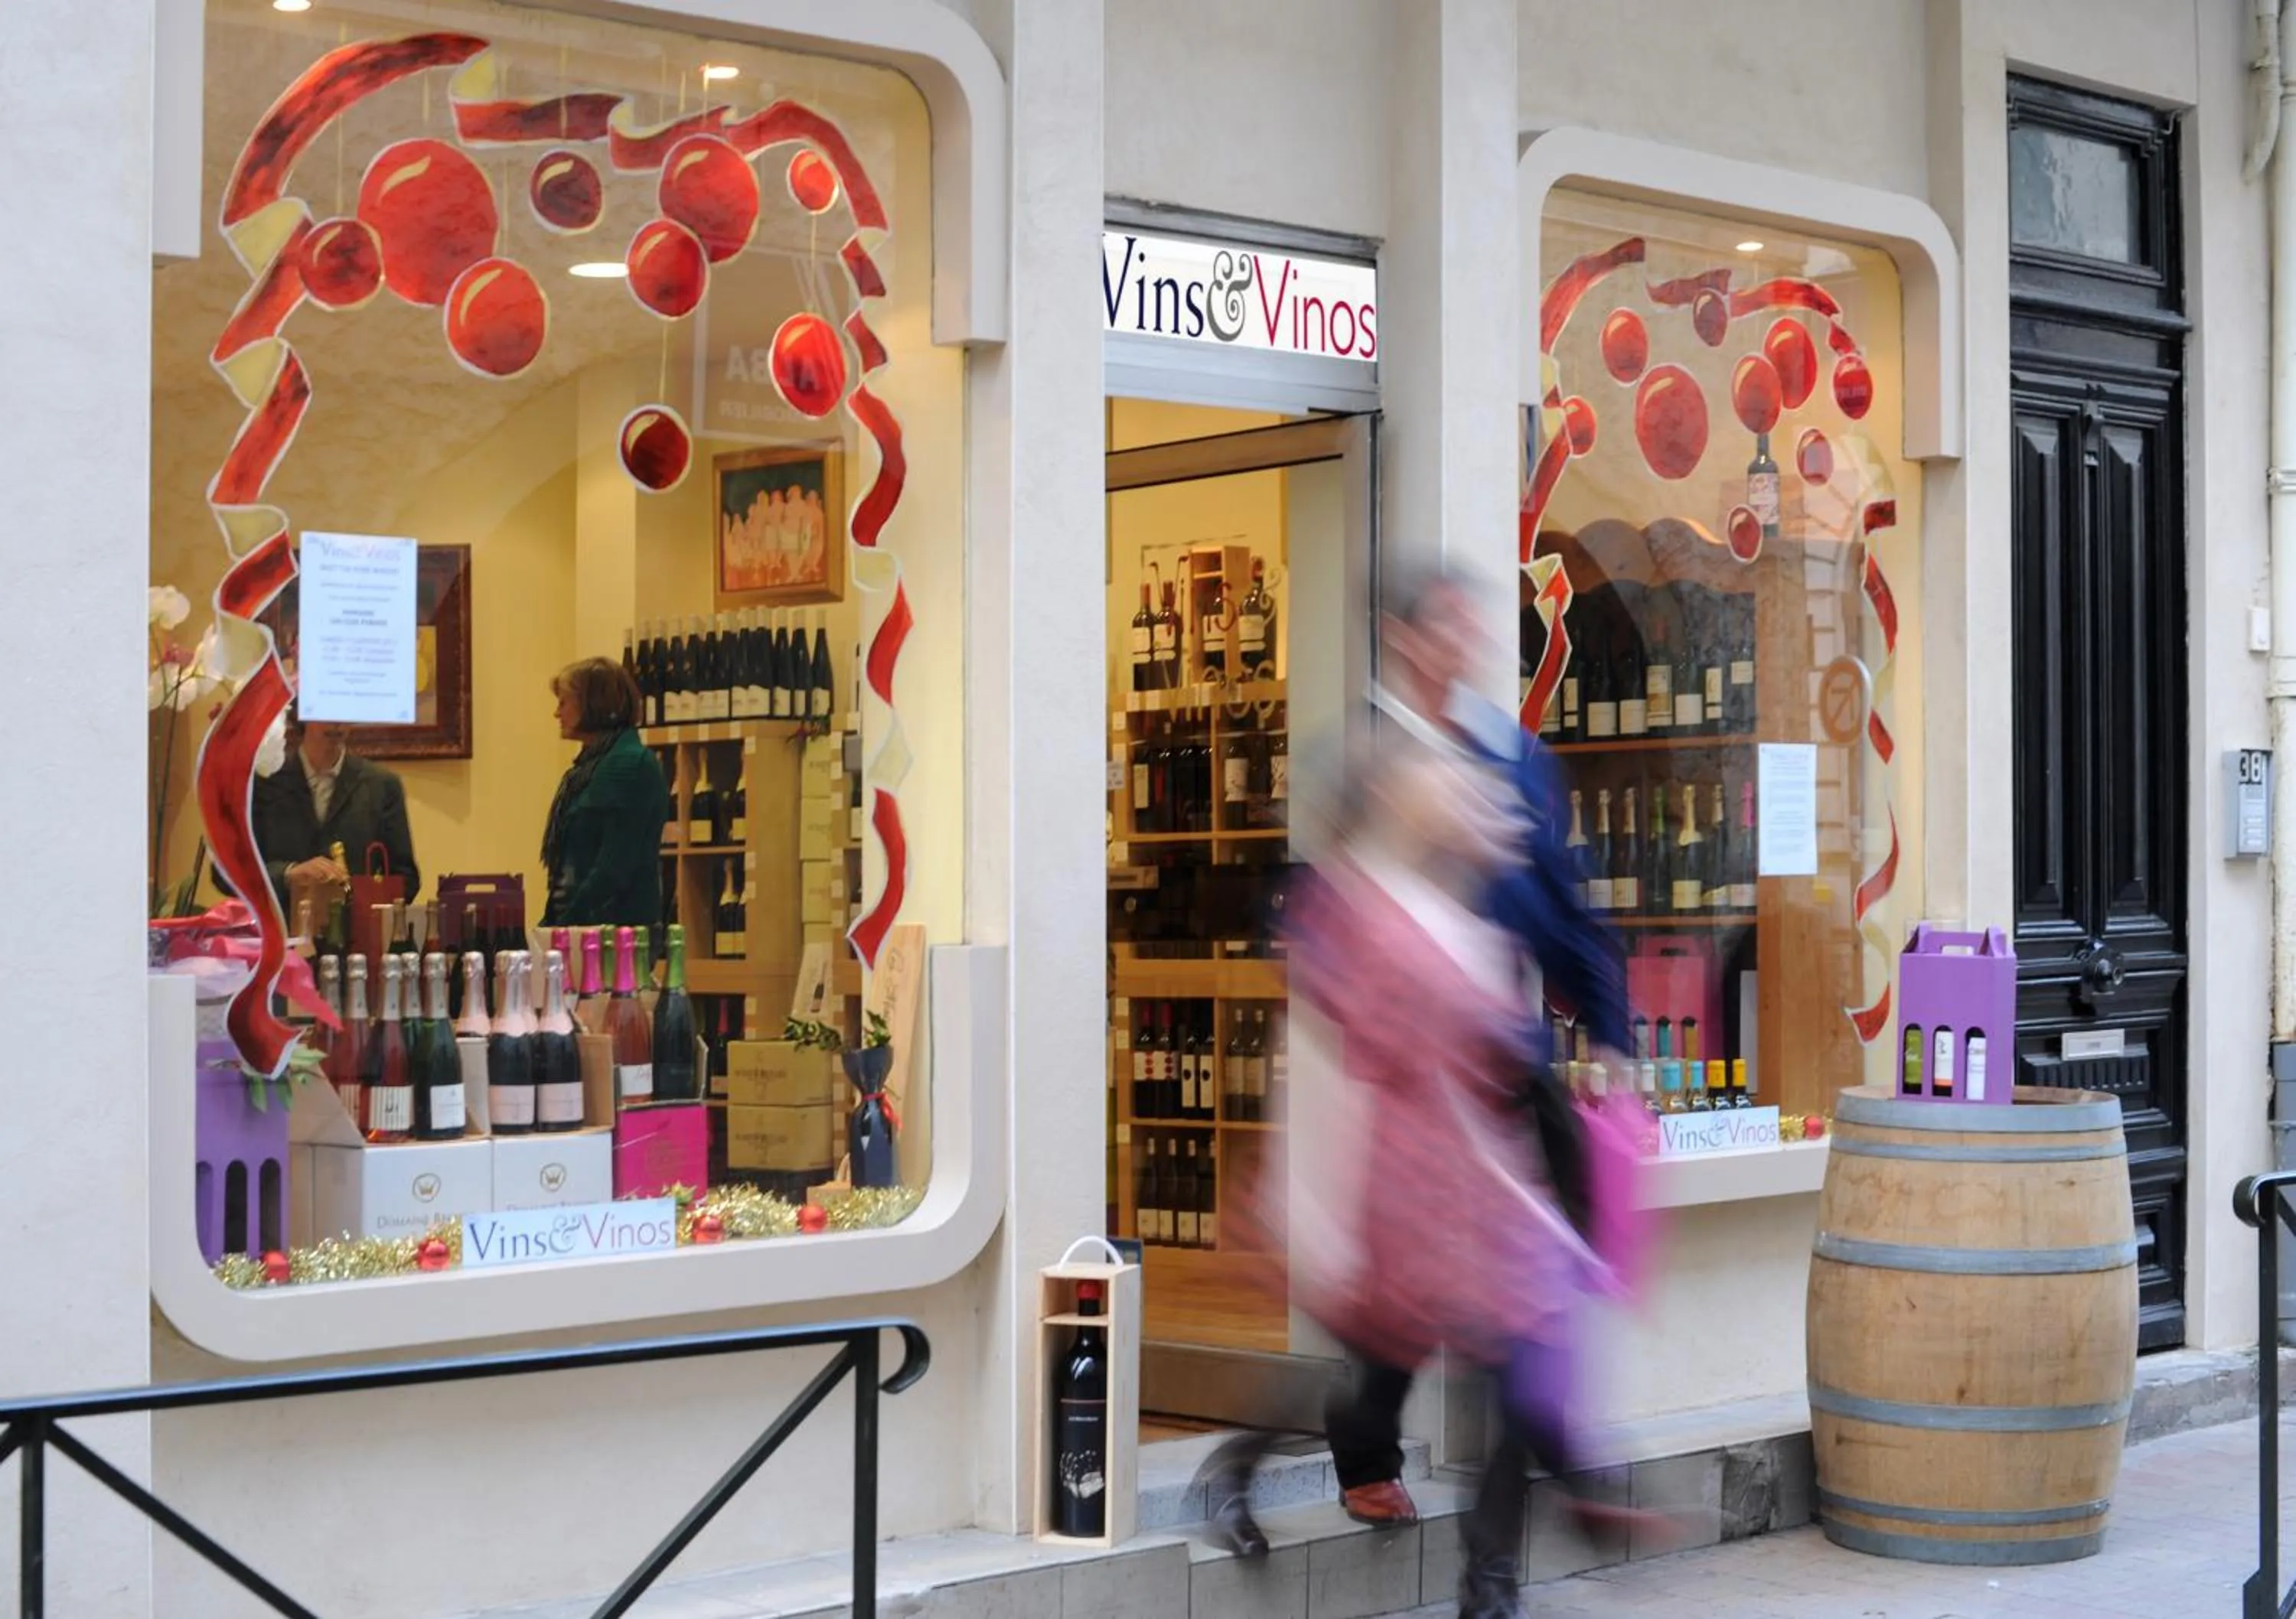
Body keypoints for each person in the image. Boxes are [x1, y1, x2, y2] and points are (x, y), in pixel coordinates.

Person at [1195, 568, 1636, 1614]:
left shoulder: (1516, 759)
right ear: (1400, 639)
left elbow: (1561, 908)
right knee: (1384, 1335)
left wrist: (1611, 1038)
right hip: (1409, 1104)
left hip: (1504, 1073)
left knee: (1513, 1332)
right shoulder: (1358, 757)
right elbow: (1320, 934)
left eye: (1476, 628)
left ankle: (1494, 1577)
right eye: (1448, 628)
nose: (1466, 647)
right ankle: (1265, 1459)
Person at [540, 657, 671, 930]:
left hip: (614, 934)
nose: (556, 713)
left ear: (593, 703)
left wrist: (563, 925)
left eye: (564, 702)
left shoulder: (627, 765)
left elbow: (613, 866)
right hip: (584, 925)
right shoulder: (591, 766)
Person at [249, 717, 419, 910]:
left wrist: (361, 902)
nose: (336, 722)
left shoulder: (382, 786)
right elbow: (228, 876)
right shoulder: (262, 783)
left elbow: (406, 880)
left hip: (358, 933)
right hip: (280, 931)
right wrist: (289, 874)